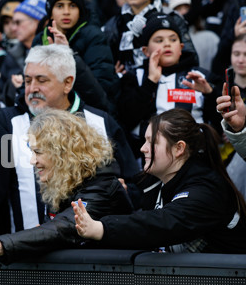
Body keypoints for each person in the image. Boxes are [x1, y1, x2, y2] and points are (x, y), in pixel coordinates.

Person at [0, 45, 138, 248]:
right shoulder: (7, 122)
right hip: (25, 255)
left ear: (68, 83)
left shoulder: (100, 122)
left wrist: (127, 191)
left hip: (90, 258)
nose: (32, 88)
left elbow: (132, 184)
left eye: (41, 80)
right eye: (28, 80)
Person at [73, 108, 246, 253]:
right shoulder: (154, 180)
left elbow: (162, 223)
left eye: (151, 142)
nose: (143, 148)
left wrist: (102, 229)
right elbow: (137, 215)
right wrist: (119, 197)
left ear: (179, 148)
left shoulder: (206, 189)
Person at [0, 109, 133, 262]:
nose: (32, 161)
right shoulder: (64, 184)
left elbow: (64, 227)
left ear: (63, 153)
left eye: (38, 152)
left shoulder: (102, 185)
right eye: (32, 152)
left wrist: (5, 244)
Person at [116, 14, 221, 158]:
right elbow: (127, 119)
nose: (167, 44)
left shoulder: (201, 77)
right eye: (159, 40)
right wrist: (150, 82)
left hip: (195, 158)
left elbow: (220, 124)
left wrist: (210, 93)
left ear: (181, 48)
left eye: (173, 39)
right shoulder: (134, 77)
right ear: (145, 51)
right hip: (147, 162)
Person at [102, 0, 197, 75]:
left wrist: (157, 72)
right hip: (127, 91)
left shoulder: (170, 17)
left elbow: (190, 57)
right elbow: (104, 61)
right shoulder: (115, 23)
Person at [39, 0, 119, 105]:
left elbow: (100, 93)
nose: (66, 12)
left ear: (80, 10)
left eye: (72, 6)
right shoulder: (40, 38)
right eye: (59, 6)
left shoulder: (95, 37)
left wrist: (69, 55)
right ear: (50, 11)